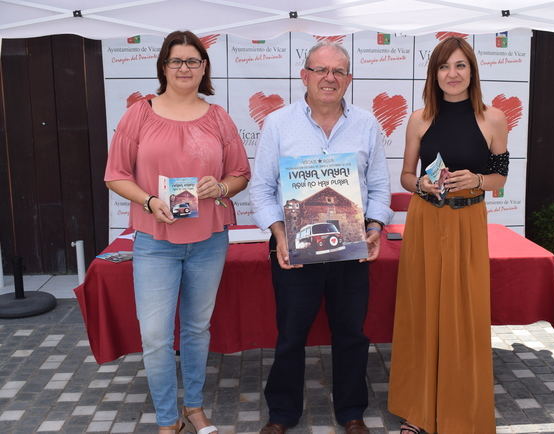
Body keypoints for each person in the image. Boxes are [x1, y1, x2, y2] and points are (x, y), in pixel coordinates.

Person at [105, 30, 250, 434]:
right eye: (176, 61)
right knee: (154, 336)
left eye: (193, 61)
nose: (185, 68)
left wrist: (220, 188)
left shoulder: (219, 117)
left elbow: (240, 173)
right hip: (155, 241)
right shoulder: (139, 113)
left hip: (208, 240)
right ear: (163, 67)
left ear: (204, 67)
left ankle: (195, 406)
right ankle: (169, 418)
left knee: (196, 328)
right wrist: (150, 202)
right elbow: (115, 176)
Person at [249, 42, 393, 434]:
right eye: (321, 70)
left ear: (349, 79)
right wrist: (279, 234)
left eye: (339, 71)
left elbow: (380, 188)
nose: (330, 78)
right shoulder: (278, 124)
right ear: (305, 75)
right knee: (291, 334)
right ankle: (281, 414)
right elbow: (261, 189)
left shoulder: (367, 125)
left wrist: (376, 228)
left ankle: (351, 412)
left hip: (351, 249)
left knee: (352, 333)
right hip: (293, 248)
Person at [388, 36, 509, 433]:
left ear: (472, 71)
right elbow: (406, 176)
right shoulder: (419, 118)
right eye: (444, 67)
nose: (452, 74)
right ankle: (418, 412)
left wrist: (477, 178)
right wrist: (420, 184)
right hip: (425, 222)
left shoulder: (494, 119)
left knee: (464, 318)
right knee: (422, 314)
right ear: (434, 74)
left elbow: (500, 178)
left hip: (468, 224)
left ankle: (461, 414)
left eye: (460, 65)